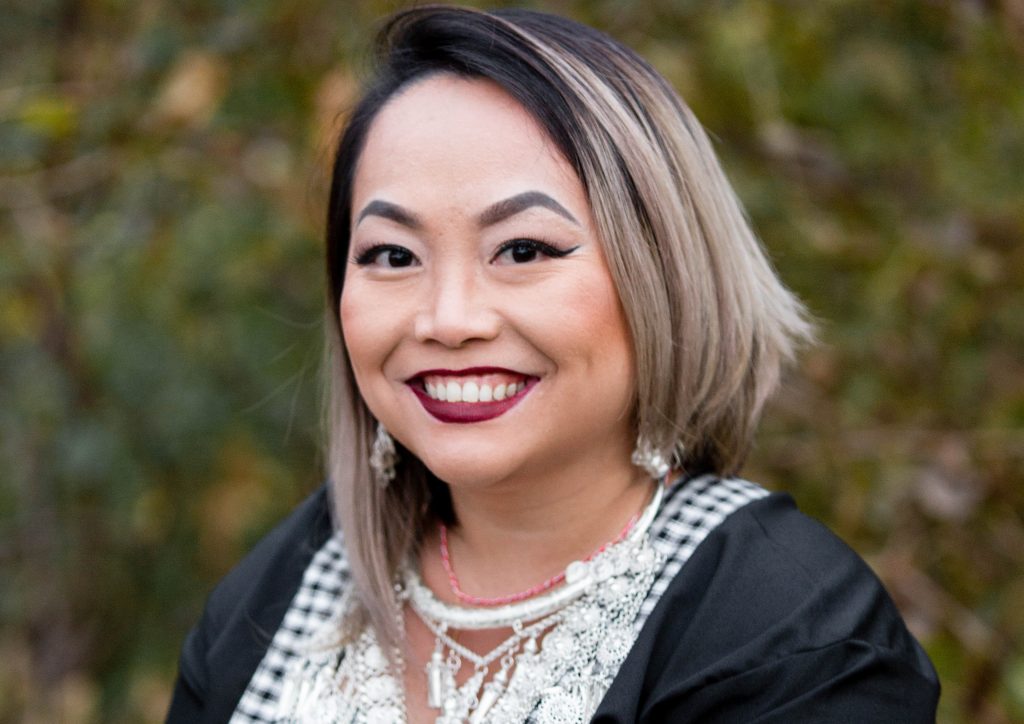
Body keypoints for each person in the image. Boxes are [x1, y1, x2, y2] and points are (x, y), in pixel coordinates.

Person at [167, 6, 940, 723]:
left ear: (662, 275)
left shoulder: (790, 637)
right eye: (393, 255)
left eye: (524, 249)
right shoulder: (282, 592)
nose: (449, 320)